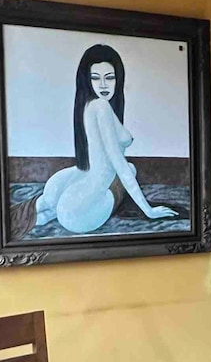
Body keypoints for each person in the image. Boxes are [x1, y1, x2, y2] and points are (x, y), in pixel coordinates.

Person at [36, 44, 177, 234]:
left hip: (67, 195)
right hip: (79, 216)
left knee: (126, 169)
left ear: (118, 79)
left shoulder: (88, 105)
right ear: (87, 80)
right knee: (129, 169)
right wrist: (148, 210)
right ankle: (51, 212)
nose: (103, 85)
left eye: (109, 78)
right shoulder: (101, 107)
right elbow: (119, 164)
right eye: (95, 78)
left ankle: (47, 212)